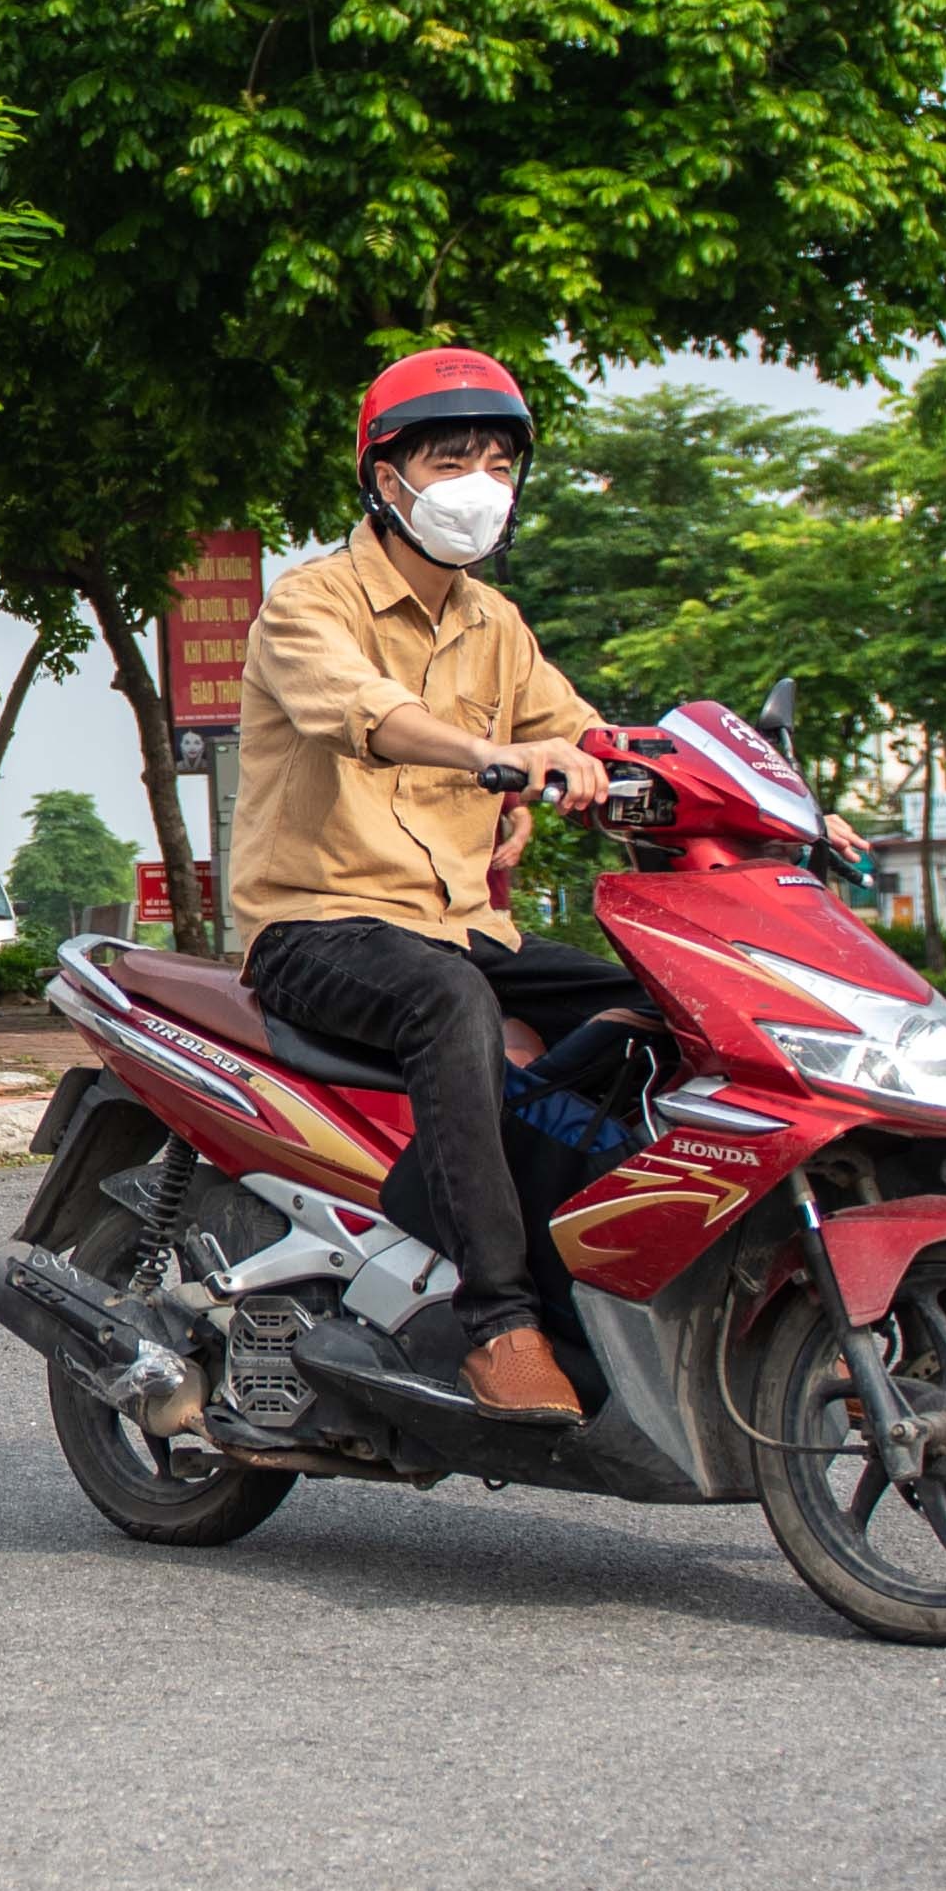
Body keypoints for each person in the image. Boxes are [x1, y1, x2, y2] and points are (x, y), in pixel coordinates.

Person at [225, 348, 646, 1426]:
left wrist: (776, 796)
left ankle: (584, 1254)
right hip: (318, 926)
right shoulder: (307, 604)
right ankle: (499, 1322)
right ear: (385, 476)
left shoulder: (494, 623)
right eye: (449, 456)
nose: (478, 482)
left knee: (653, 1008)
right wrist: (490, 757)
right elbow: (362, 711)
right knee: (449, 1001)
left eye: (499, 461)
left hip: (462, 926)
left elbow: (587, 730)